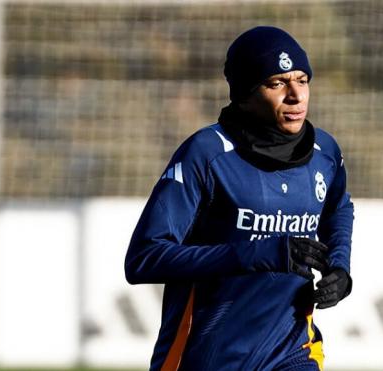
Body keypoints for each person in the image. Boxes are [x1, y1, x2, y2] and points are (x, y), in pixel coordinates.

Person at [125, 26, 354, 371]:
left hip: (292, 351)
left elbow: (339, 208)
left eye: (302, 80)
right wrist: (258, 253)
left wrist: (339, 266)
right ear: (245, 94)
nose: (296, 95)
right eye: (277, 83)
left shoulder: (325, 152)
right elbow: (144, 258)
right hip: (208, 358)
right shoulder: (207, 153)